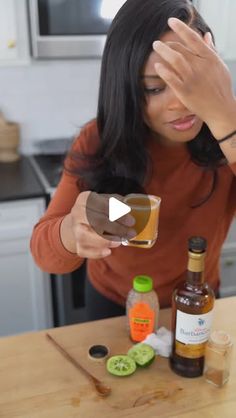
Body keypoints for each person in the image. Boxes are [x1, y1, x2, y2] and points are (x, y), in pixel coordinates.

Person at [31, 0, 236, 321]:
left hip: (197, 298)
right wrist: (72, 232)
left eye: (191, 81)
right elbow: (46, 255)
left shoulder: (228, 135)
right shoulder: (99, 138)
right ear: (126, 89)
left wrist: (224, 117)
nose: (180, 104)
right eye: (154, 88)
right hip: (115, 304)